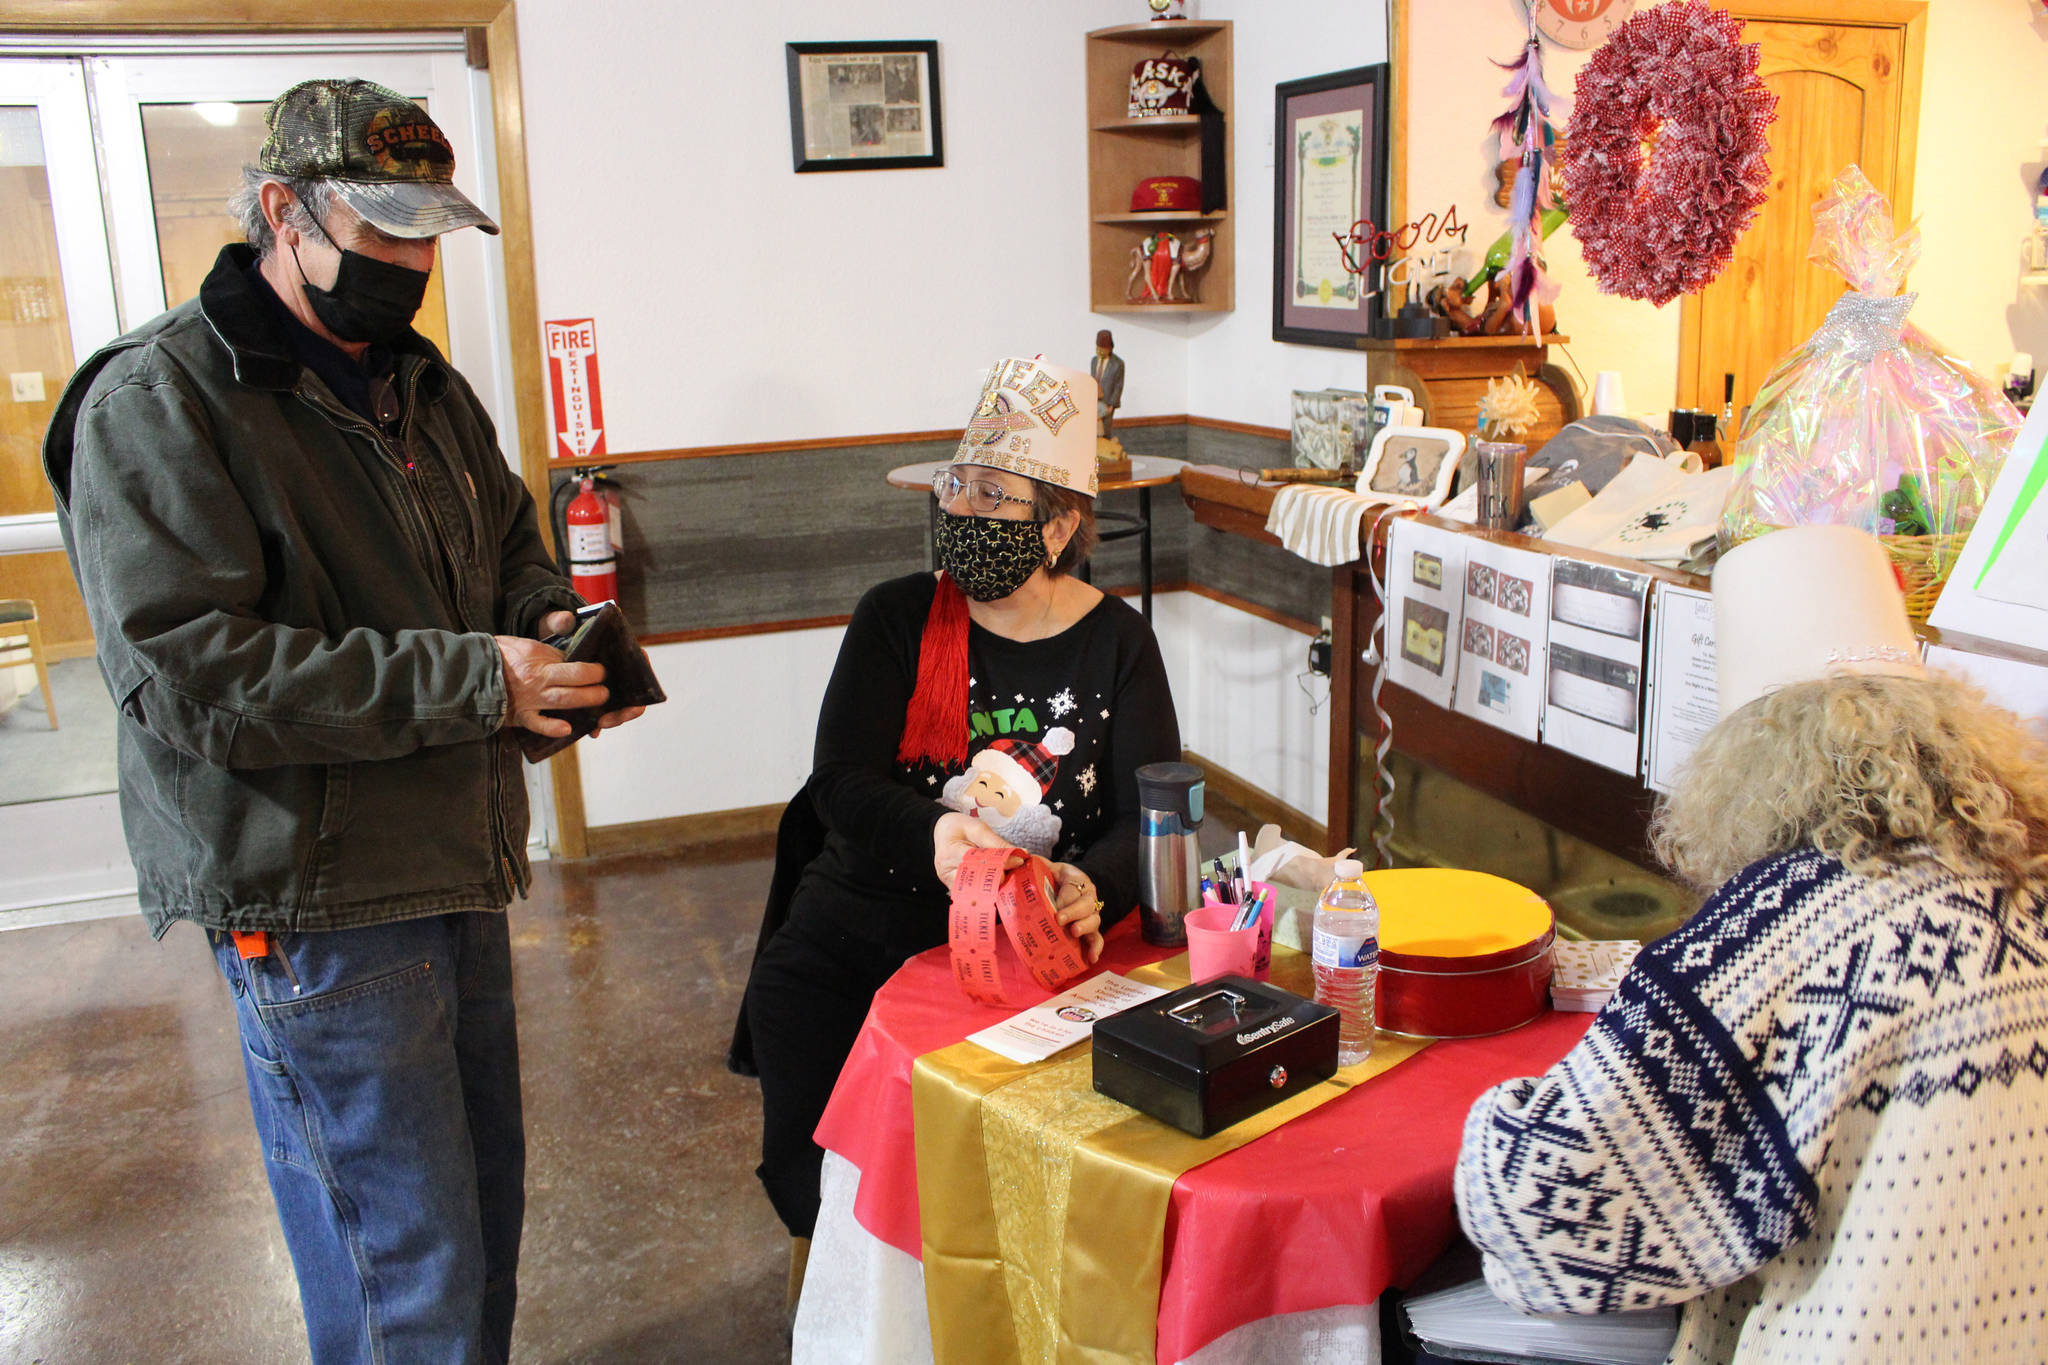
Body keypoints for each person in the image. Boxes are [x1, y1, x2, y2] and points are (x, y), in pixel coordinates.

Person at [41, 79, 643, 1364]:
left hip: (451, 855)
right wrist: (478, 683)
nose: (412, 266)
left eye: (430, 235)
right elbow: (192, 675)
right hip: (312, 891)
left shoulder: (420, 386)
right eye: (382, 233)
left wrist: (546, 639)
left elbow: (507, 555)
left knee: (479, 1219)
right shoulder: (161, 400)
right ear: (283, 212)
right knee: (400, 1256)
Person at [1455, 525, 2048, 1363]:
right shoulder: (2025, 885)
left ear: (1747, 760)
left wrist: (1486, 1115)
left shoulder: (1786, 926)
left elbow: (1539, 1206)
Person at [742, 355, 1182, 1286]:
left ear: (1061, 522)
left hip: (1027, 956)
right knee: (835, 1180)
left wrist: (1088, 887)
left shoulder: (1118, 641)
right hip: (863, 926)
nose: (965, 512)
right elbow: (841, 783)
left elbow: (1147, 815)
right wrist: (937, 836)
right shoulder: (900, 617)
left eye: (996, 493)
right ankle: (840, 1293)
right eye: (958, 485)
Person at [1091, 328, 1124, 440]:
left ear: (1109, 348)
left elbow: (1118, 385)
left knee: (1105, 429)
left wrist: (1112, 404)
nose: (1099, 352)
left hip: (1107, 401)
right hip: (1094, 400)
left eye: (1102, 349)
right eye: (1098, 349)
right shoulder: (1094, 361)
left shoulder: (1117, 364)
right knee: (1093, 429)